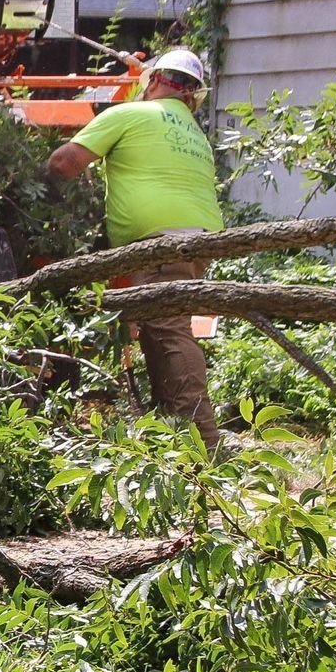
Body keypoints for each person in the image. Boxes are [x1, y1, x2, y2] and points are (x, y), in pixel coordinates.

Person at [45, 48, 224, 450]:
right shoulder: (196, 135)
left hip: (160, 240)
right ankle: (174, 435)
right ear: (191, 96)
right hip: (200, 240)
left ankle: (205, 446)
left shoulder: (129, 113)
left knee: (169, 330)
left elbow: (64, 163)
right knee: (156, 330)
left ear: (154, 80)